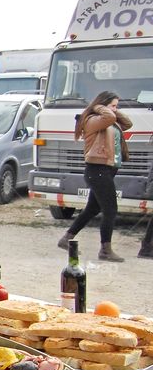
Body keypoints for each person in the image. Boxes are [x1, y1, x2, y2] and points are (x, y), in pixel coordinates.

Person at [57, 91, 132, 262]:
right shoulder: (93, 120)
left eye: (117, 106)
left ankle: (66, 238)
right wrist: (98, 107)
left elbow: (127, 123)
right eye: (113, 105)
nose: (115, 109)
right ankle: (105, 250)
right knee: (111, 210)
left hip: (105, 170)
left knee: (92, 208)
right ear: (103, 106)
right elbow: (110, 118)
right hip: (97, 170)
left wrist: (111, 109)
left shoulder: (108, 119)